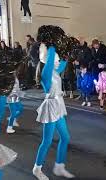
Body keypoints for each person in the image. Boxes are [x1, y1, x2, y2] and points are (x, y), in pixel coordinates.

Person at [33, 25, 75, 180]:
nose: (57, 61)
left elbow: (63, 60)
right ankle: (37, 169)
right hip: (51, 106)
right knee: (47, 141)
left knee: (65, 138)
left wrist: (67, 45)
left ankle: (59, 166)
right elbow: (51, 57)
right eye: (55, 58)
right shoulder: (46, 74)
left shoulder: (56, 71)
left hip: (58, 105)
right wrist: (51, 43)